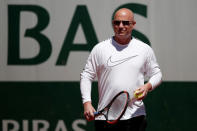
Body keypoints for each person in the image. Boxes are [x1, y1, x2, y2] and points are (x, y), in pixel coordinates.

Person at [80, 8, 162, 131]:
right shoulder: (100, 49)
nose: (121, 26)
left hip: (135, 116)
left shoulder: (144, 49)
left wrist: (147, 86)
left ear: (133, 25)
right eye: (117, 23)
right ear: (113, 24)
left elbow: (157, 74)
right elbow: (86, 75)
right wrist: (87, 103)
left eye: (125, 23)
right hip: (105, 118)